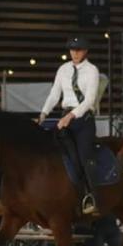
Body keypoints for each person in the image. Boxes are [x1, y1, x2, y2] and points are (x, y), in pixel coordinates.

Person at [38, 35, 101, 214]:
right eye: (72, 50)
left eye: (79, 50)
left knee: (83, 157)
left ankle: (91, 197)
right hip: (64, 117)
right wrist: (43, 114)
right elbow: (54, 94)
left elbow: (89, 100)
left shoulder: (92, 71)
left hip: (83, 120)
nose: (75, 53)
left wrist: (71, 116)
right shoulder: (63, 69)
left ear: (86, 51)